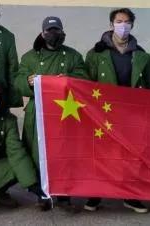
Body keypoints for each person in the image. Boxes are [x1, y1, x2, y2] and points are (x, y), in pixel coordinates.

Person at [83, 8, 150, 213]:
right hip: (103, 112)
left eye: (127, 22)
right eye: (119, 21)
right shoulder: (96, 53)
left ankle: (130, 196)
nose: (123, 25)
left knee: (131, 154)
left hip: (131, 113)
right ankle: (96, 193)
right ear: (111, 24)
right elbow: (86, 83)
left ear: (132, 25)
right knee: (102, 153)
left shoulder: (141, 54)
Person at [14, 16, 86, 205]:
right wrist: (28, 81)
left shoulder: (73, 56)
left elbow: (84, 79)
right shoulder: (29, 57)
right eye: (49, 30)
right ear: (42, 33)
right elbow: (18, 81)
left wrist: (68, 79)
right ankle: (42, 194)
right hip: (38, 112)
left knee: (63, 152)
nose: (53, 34)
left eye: (57, 30)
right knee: (39, 152)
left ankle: (64, 193)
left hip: (65, 112)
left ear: (63, 33)